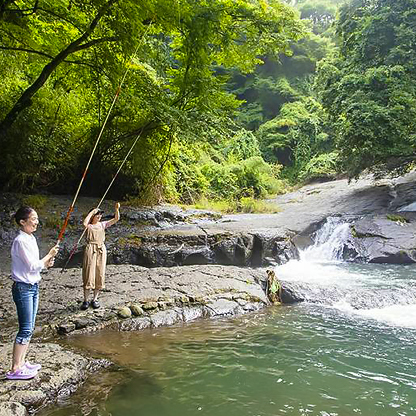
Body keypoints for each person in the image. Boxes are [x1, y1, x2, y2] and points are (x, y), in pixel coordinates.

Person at [7, 206, 59, 380]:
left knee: (30, 327)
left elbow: (36, 266)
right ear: (23, 222)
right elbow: (31, 266)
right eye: (33, 219)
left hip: (33, 285)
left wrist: (46, 263)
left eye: (37, 218)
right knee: (26, 328)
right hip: (23, 288)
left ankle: (22, 363)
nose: (37, 222)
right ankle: (15, 369)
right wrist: (48, 256)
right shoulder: (20, 241)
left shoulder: (30, 237)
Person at [81, 202, 120, 310]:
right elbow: (84, 223)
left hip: (101, 249)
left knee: (100, 273)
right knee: (89, 274)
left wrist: (116, 209)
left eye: (100, 214)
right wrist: (92, 212)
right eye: (97, 214)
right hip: (90, 249)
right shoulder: (88, 225)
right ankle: (85, 300)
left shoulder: (102, 224)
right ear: (93, 215)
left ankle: (95, 299)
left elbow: (116, 219)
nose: (99, 216)